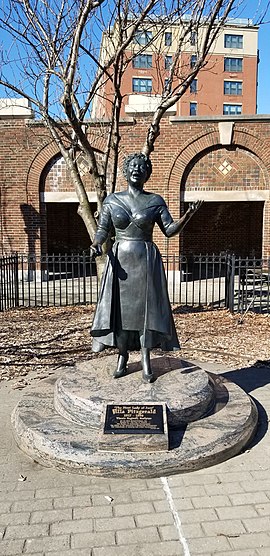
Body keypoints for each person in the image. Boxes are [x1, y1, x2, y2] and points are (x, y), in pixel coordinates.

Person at [90, 153, 202, 383]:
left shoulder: (155, 201)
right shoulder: (111, 200)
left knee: (145, 312)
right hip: (119, 260)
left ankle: (145, 357)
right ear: (125, 171)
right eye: (132, 166)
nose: (136, 170)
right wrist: (96, 243)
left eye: (141, 167)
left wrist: (188, 214)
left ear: (147, 174)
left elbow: (169, 230)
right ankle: (122, 356)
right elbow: (103, 229)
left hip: (145, 260)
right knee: (120, 313)